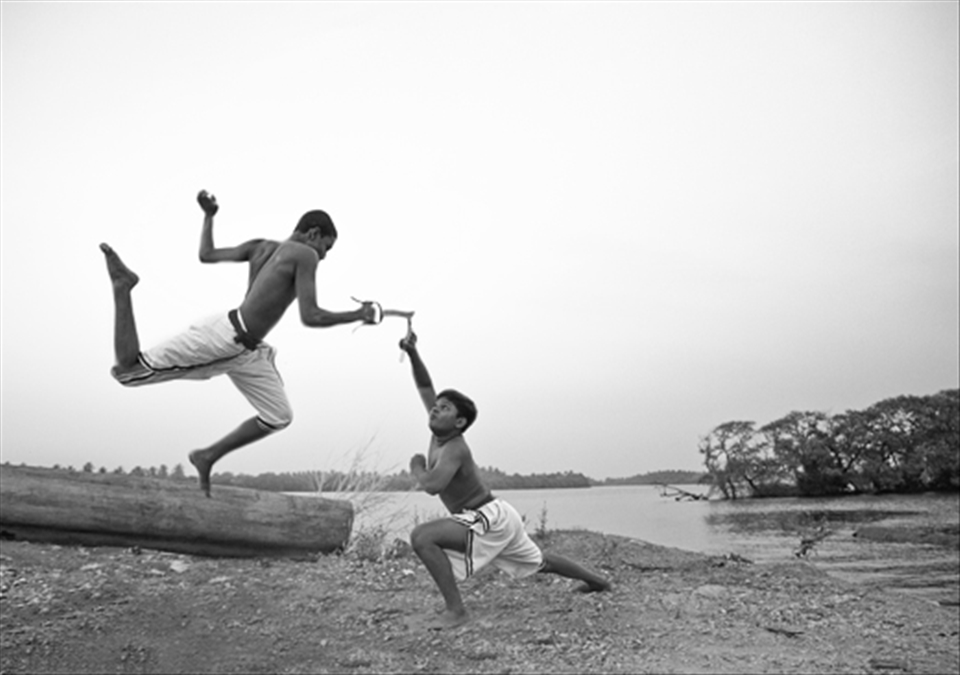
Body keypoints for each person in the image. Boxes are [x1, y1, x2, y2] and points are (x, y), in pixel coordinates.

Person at [100, 190, 378, 496]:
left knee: (278, 416)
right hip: (224, 339)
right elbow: (311, 315)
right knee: (130, 370)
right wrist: (357, 314)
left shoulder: (261, 247)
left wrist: (209, 216)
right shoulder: (305, 254)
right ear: (314, 234)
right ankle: (123, 286)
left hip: (248, 351)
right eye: (327, 247)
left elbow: (207, 254)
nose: (324, 256)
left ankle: (206, 456)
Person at [399, 330, 610, 630]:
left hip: (485, 518)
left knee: (423, 536)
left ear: (459, 422)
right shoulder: (440, 431)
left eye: (444, 408)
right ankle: (599, 582)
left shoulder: (455, 447)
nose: (435, 408)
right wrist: (413, 353)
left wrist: (417, 466)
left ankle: (456, 611)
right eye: (436, 405)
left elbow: (432, 485)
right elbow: (425, 385)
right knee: (542, 562)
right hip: (499, 515)